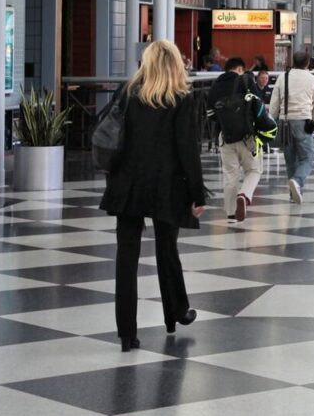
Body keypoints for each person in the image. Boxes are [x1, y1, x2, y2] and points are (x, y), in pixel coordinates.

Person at [99, 40, 207, 352]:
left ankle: (126, 333)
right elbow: (189, 151)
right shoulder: (181, 99)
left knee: (126, 258)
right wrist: (197, 194)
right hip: (166, 185)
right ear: (175, 65)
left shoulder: (129, 94)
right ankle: (175, 312)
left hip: (127, 185)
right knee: (167, 249)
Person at [207, 56, 263, 223]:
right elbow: (258, 106)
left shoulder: (216, 85)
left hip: (225, 136)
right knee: (254, 170)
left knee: (230, 174)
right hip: (247, 135)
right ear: (240, 69)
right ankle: (244, 195)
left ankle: (231, 213)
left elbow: (210, 115)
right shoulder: (246, 81)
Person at [267, 50, 314, 205]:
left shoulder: (283, 77)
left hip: (285, 122)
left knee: (290, 158)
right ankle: (297, 181)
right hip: (303, 121)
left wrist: (273, 121)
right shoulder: (312, 79)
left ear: (293, 61)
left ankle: (293, 194)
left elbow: (274, 104)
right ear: (307, 63)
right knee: (307, 157)